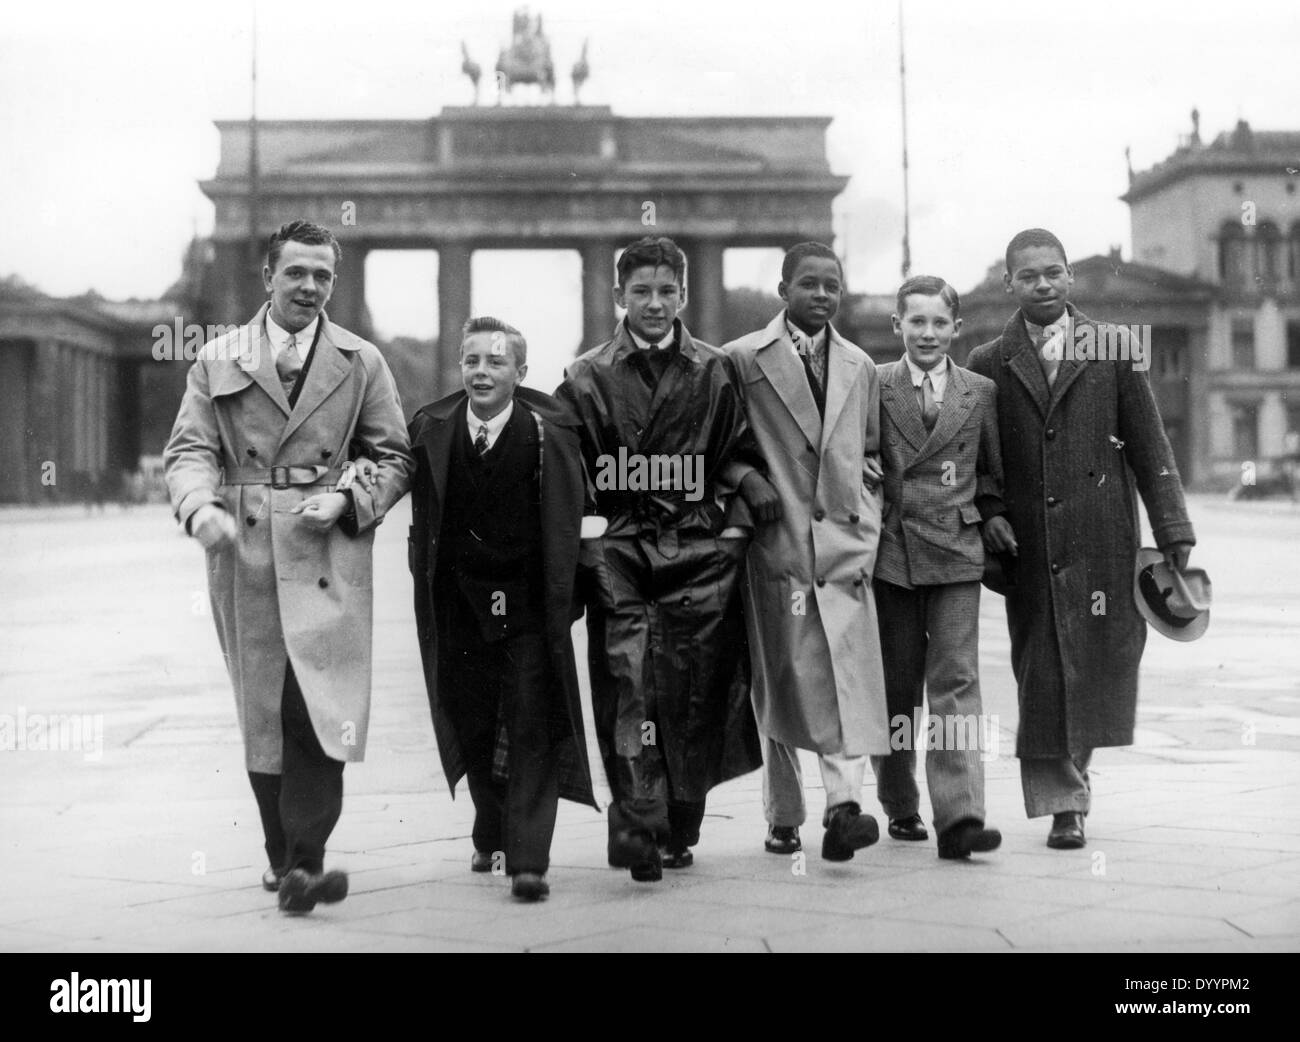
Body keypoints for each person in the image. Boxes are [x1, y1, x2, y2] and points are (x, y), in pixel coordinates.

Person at [164, 219, 413, 912]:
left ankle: (307, 860)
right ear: (268, 276)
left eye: (323, 276)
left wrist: (349, 500)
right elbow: (189, 449)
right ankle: (284, 861)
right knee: (266, 708)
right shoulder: (218, 358)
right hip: (243, 552)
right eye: (297, 273)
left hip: (326, 546)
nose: (310, 287)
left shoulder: (362, 361)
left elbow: (396, 456)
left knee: (319, 705)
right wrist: (198, 508)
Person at [966, 228, 1195, 849]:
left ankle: (1074, 791)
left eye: (1054, 272)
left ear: (1069, 278)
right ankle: (1063, 798)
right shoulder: (987, 362)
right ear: (1009, 283)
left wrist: (1173, 527)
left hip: (1102, 538)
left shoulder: (1114, 349)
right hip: (1030, 546)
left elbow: (1150, 445)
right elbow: (977, 461)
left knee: (1095, 661)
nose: (1044, 284)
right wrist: (989, 512)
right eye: (1030, 275)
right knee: (1040, 669)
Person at [555, 235, 766, 882]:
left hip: (700, 548)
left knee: (695, 688)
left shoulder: (715, 369)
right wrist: (589, 532)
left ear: (683, 293)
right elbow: (570, 468)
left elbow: (738, 447)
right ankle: (637, 820)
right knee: (627, 681)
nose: (654, 303)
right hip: (620, 548)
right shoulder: (586, 375)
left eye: (666, 291)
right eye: (641, 292)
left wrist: (742, 506)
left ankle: (682, 820)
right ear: (619, 296)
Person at [407, 317, 596, 902]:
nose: (481, 372)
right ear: (459, 367)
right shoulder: (430, 430)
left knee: (531, 723)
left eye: (495, 362)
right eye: (471, 361)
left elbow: (580, 516)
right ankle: (490, 823)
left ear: (520, 372)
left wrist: (573, 596)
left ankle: (528, 858)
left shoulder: (553, 435)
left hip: (528, 607)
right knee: (474, 720)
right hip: (459, 606)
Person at [722, 242, 891, 862]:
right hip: (780, 546)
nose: (822, 295)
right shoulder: (741, 360)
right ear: (783, 288)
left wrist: (866, 520)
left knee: (845, 678)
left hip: (844, 549)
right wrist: (746, 480)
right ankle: (784, 814)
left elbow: (870, 456)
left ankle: (844, 809)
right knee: (783, 680)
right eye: (810, 284)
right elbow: (723, 447)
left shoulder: (860, 365)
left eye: (833, 286)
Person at [870, 275, 1010, 859]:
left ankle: (960, 816)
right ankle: (900, 804)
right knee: (897, 687)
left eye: (938, 322)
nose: (927, 333)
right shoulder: (874, 384)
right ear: (897, 326)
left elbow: (993, 475)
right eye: (916, 321)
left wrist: (995, 518)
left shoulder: (980, 391)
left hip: (956, 553)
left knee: (956, 683)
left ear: (957, 328)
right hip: (893, 556)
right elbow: (853, 450)